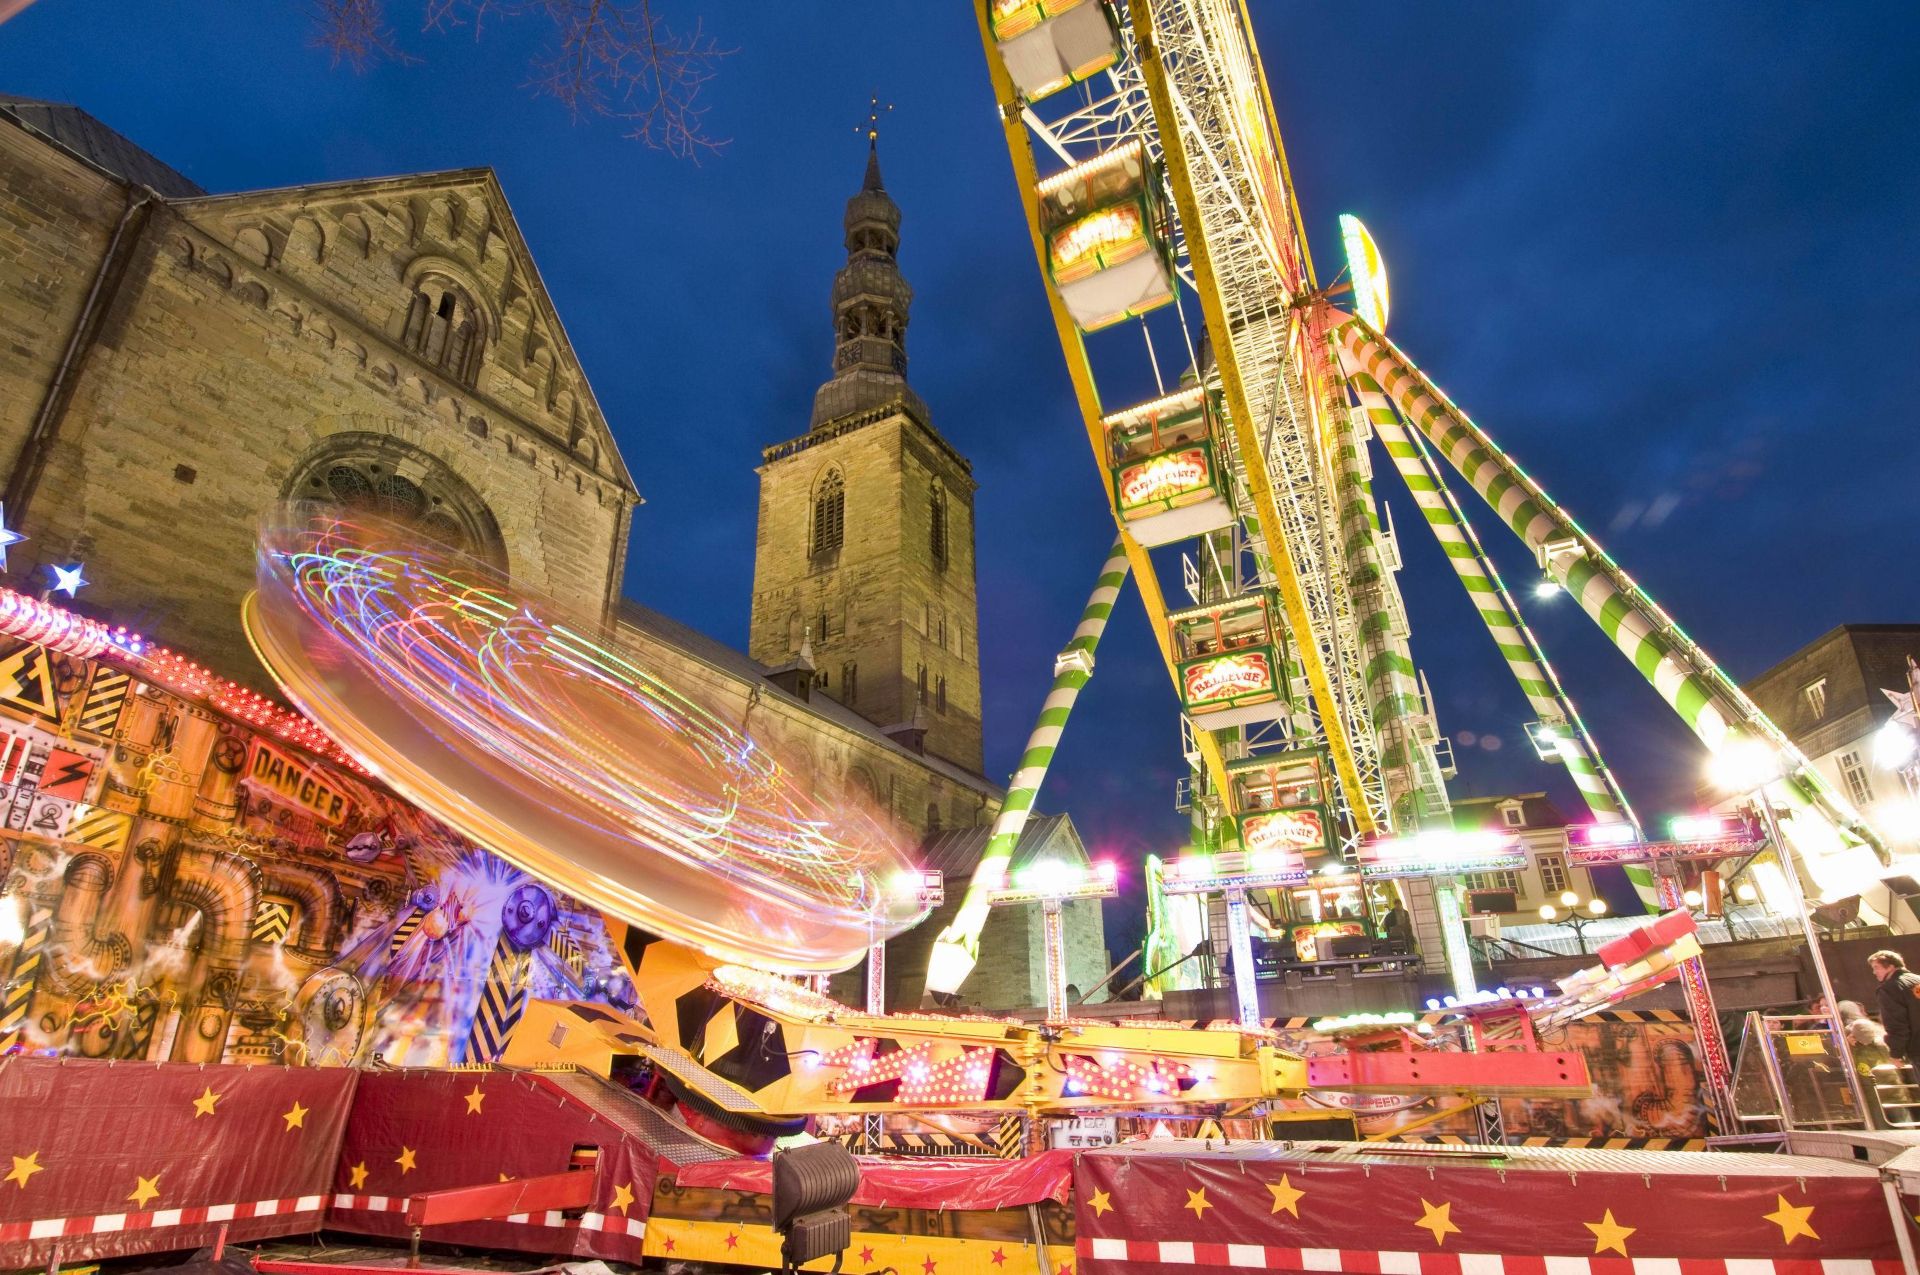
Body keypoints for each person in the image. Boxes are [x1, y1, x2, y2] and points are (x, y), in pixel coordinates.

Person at [1869, 950, 1920, 1066]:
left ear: (1891, 966)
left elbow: (1896, 1024)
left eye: (1876, 967)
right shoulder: (1917, 981)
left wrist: (1896, 1054)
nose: (1874, 972)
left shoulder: (1889, 989)